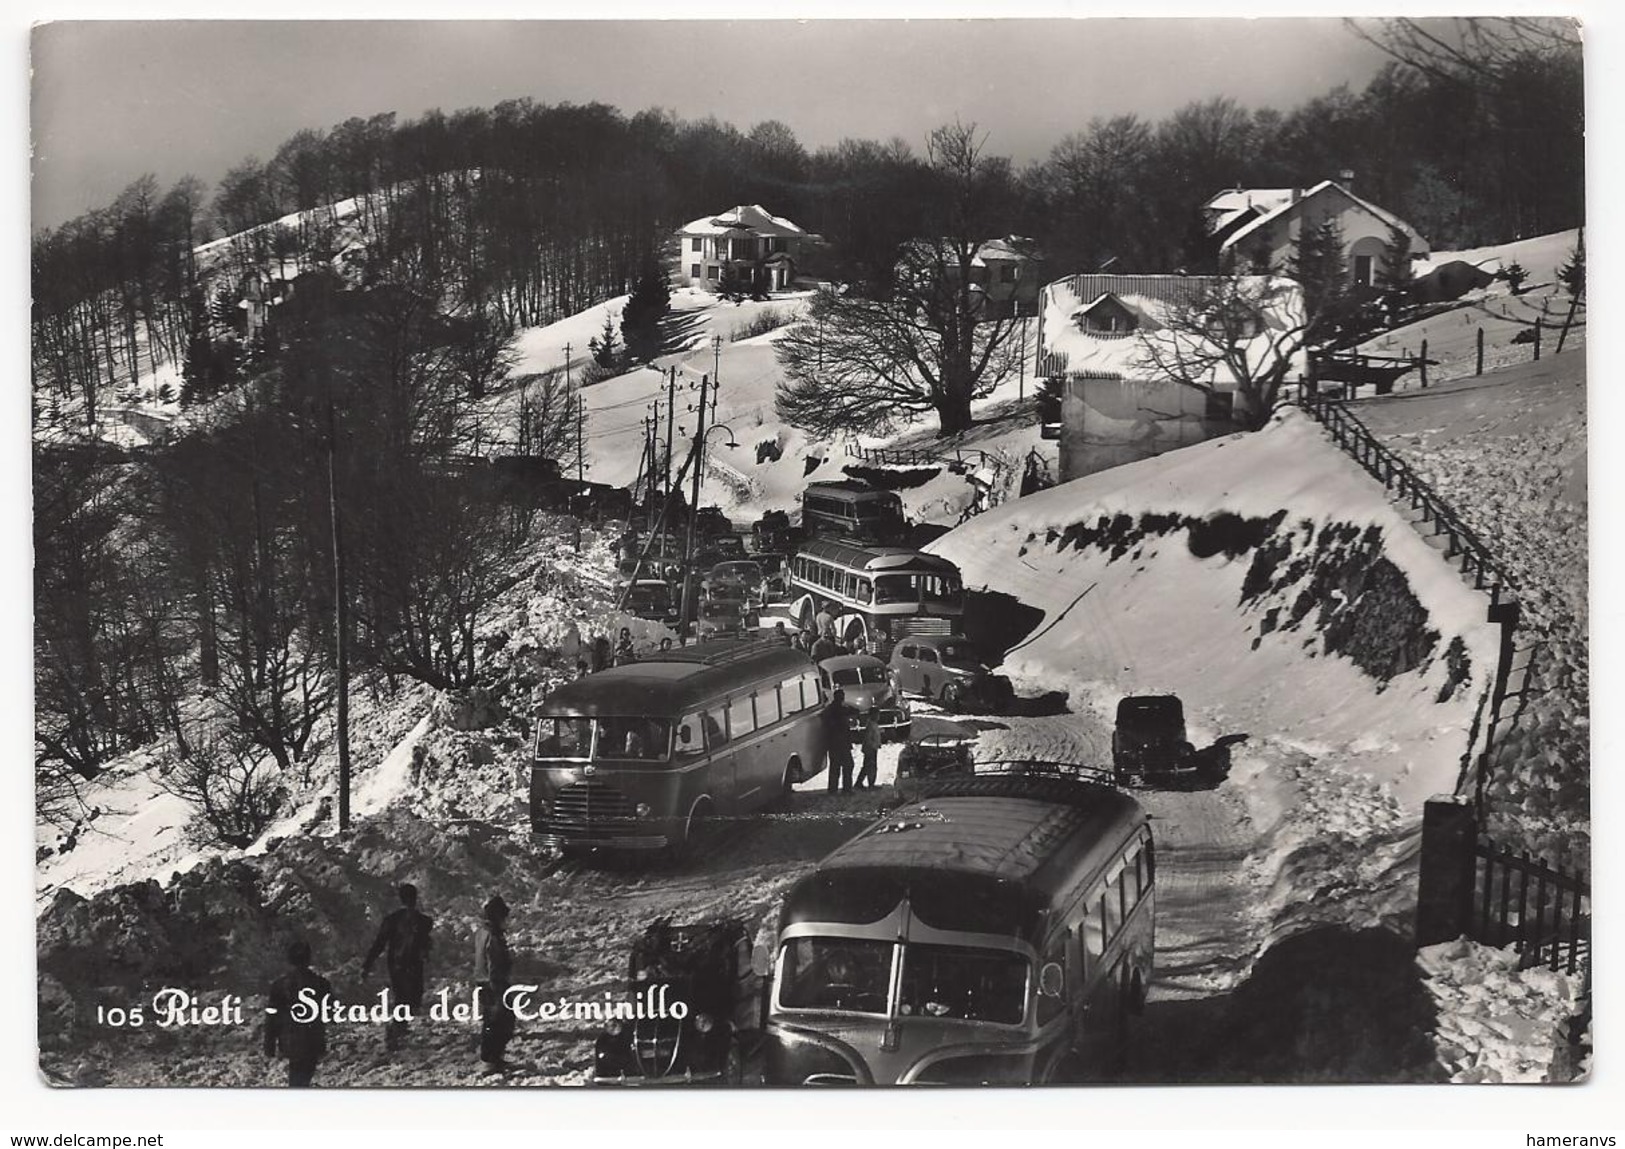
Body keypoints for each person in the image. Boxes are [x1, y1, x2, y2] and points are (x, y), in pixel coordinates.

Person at [362, 882, 434, 1051]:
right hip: (407, 965)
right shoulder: (422, 921)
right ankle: (396, 1032)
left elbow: (379, 944)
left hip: (401, 964)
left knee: (407, 998)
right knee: (408, 998)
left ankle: (397, 1030)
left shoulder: (395, 920)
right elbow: (425, 943)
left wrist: (367, 965)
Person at [264, 939, 334, 1087]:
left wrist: (269, 1044)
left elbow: (272, 1017)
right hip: (313, 1036)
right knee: (306, 1073)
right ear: (309, 958)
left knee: (296, 1075)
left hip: (290, 1037)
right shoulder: (321, 983)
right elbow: (330, 1011)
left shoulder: (279, 985)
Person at [473, 894, 515, 1073]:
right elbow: (495, 963)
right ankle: (491, 1059)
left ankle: (491, 1057)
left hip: (483, 981)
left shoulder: (482, 932)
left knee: (491, 1021)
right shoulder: (494, 936)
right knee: (502, 1021)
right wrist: (499, 988)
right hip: (494, 983)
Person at [823, 689, 855, 795]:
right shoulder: (841, 710)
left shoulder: (829, 710)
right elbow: (854, 711)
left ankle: (833, 789)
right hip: (842, 742)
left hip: (833, 743)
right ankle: (847, 789)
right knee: (848, 765)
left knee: (834, 767)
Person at [857, 710, 882, 791]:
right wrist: (873, 745)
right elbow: (869, 738)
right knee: (871, 766)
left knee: (867, 766)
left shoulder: (873, 724)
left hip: (872, 748)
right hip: (870, 749)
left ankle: (859, 782)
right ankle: (870, 784)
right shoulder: (871, 725)